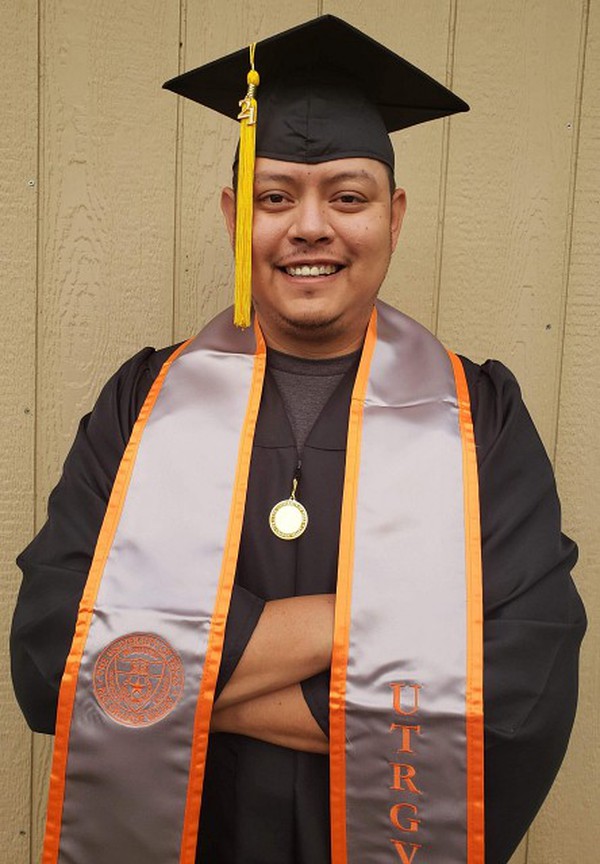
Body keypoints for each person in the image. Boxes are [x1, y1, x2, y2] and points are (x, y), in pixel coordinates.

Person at [11, 15, 585, 864]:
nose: (310, 227)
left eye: (346, 197)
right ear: (234, 213)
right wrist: (362, 627)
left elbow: (517, 692)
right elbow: (53, 650)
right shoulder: (143, 401)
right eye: (275, 196)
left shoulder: (480, 418)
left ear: (392, 215)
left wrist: (164, 686)